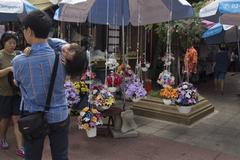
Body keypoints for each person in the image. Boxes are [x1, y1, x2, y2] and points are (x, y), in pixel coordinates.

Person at [12, 10, 87, 160]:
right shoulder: (64, 59)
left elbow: (17, 82)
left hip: (32, 117)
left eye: (24, 29)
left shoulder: (19, 61)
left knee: (32, 157)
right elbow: (64, 47)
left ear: (30, 31)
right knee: (60, 156)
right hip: (59, 115)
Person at [0, 31, 24, 157]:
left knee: (16, 118)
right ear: (4, 43)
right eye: (10, 43)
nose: (12, 45)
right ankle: (2, 138)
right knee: (4, 119)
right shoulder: (0, 56)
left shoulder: (18, 55)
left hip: (17, 93)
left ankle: (20, 147)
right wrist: (9, 69)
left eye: (14, 43)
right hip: (4, 93)